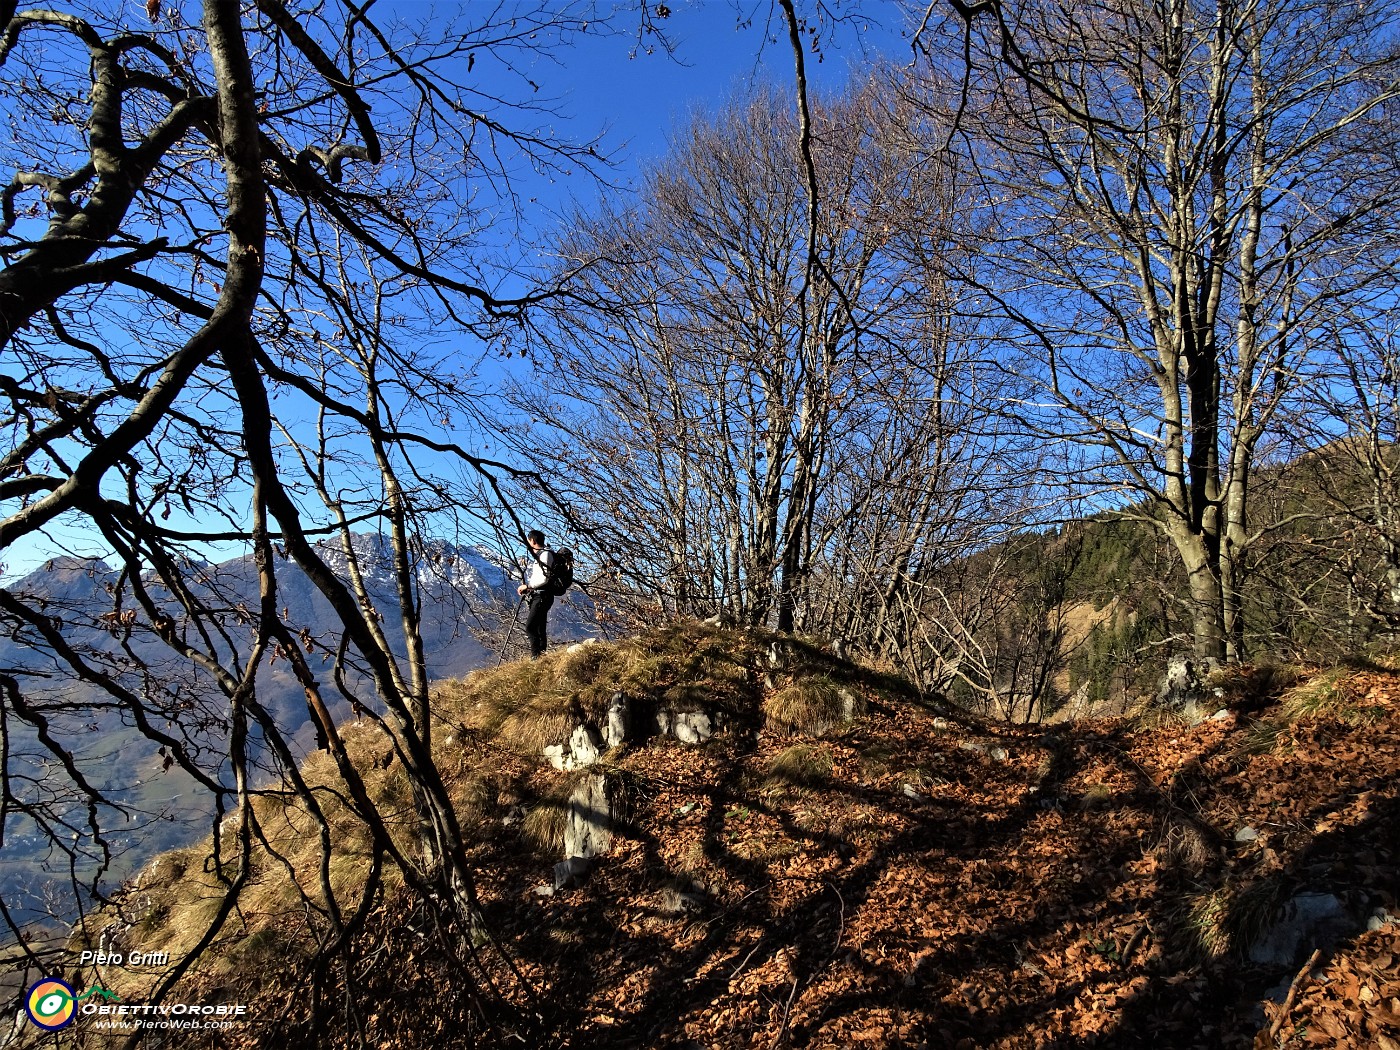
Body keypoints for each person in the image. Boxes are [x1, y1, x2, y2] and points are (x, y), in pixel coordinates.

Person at [516, 529, 555, 659]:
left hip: (542, 595)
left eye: (528, 541)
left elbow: (545, 579)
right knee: (539, 627)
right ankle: (542, 657)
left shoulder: (545, 555)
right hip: (540, 595)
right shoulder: (543, 554)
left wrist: (528, 586)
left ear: (532, 541)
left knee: (530, 627)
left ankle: (535, 657)